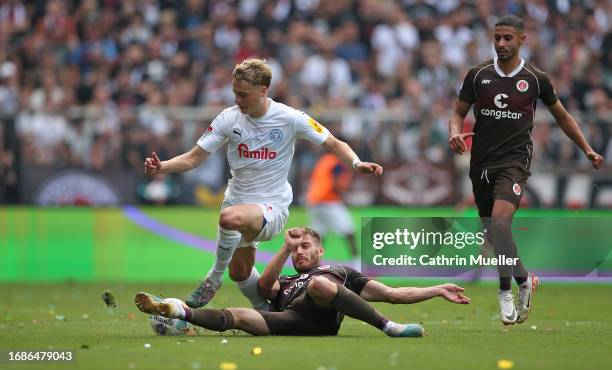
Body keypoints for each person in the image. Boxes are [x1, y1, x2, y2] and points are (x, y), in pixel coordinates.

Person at [144, 59, 383, 310]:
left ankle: (213, 278)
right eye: (235, 93)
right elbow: (194, 158)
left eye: (243, 94)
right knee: (240, 273)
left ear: (263, 90)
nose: (237, 99)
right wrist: (163, 167)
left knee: (227, 218)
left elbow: (334, 143)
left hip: (272, 207)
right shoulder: (228, 118)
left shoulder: (290, 118)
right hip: (238, 200)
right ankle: (267, 311)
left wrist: (356, 163)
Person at [448, 15, 604, 325]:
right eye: (497, 38)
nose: (502, 44)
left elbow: (562, 116)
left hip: (515, 163)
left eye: (508, 38)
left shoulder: (536, 79)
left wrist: (586, 148)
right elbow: (457, 111)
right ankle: (523, 278)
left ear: (522, 39)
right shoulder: (478, 74)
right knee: (493, 231)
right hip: (481, 164)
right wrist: (454, 131)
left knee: (501, 223)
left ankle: (505, 290)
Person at [135, 227, 470, 337]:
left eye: (304, 247)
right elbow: (266, 289)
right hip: (292, 320)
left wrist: (438, 288)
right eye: (296, 249)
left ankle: (390, 329)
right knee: (237, 314)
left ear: (320, 250)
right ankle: (180, 311)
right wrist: (285, 246)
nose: (299, 252)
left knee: (319, 286)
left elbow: (394, 293)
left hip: (322, 314)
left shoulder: (338, 273)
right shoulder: (288, 277)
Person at [306, 151, 358, 264]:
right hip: (329, 201)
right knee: (350, 233)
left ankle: (313, 268)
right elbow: (336, 183)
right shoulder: (337, 162)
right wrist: (346, 196)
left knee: (318, 237)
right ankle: (357, 265)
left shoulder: (324, 160)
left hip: (314, 202)